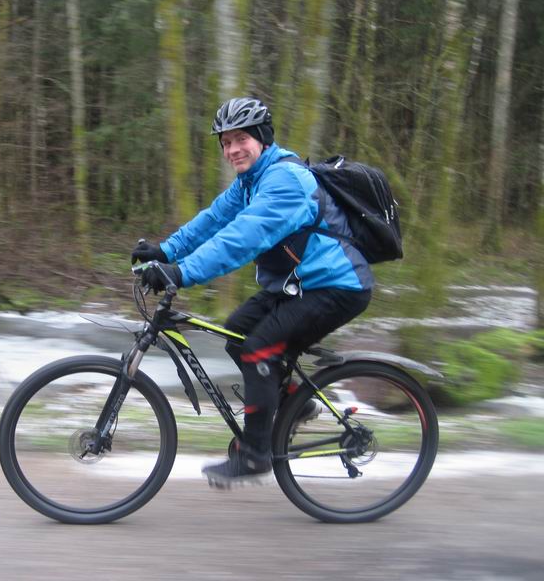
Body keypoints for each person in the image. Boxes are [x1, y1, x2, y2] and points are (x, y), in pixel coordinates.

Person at [131, 97, 373, 487]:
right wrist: (165, 251)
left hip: (335, 286)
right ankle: (297, 403)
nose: (232, 150)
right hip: (296, 286)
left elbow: (240, 240)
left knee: (258, 347)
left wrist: (181, 273)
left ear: (262, 139)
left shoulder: (285, 182)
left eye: (240, 139)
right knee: (237, 334)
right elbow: (212, 220)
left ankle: (256, 455)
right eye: (225, 143)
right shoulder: (250, 181)